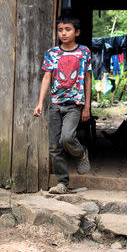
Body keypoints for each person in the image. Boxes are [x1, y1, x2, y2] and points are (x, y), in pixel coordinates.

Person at [33, 15, 92, 194]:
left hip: (74, 104)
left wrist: (87, 106)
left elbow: (88, 79)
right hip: (55, 104)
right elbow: (46, 78)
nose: (64, 33)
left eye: (68, 29)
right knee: (54, 146)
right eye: (60, 30)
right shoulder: (52, 53)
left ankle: (81, 153)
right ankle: (62, 183)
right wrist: (40, 103)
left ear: (77, 32)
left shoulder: (84, 52)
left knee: (66, 138)